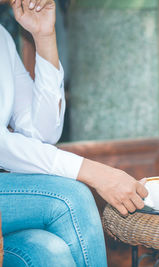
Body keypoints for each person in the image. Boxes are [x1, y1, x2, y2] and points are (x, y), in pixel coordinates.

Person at [0, 0, 148, 266]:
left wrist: (44, 36)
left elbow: (42, 132)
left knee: (48, 252)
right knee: (69, 197)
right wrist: (94, 172)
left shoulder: (2, 38)